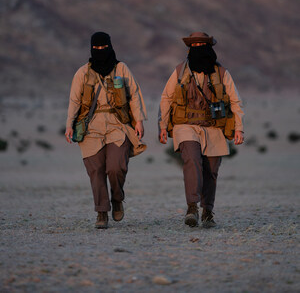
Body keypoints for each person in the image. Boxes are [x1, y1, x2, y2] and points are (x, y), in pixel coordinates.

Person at [159, 32, 244, 228]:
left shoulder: (222, 73)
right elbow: (166, 98)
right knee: (192, 162)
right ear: (190, 48)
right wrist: (162, 125)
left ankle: (207, 211)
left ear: (210, 47)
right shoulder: (180, 71)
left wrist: (239, 128)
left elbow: (235, 101)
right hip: (185, 126)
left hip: (213, 127)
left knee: (211, 170)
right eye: (194, 44)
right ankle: (192, 208)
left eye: (202, 44)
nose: (198, 47)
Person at [65, 32, 147, 229]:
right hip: (90, 125)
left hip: (117, 123)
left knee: (116, 166)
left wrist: (139, 120)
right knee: (96, 170)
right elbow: (75, 100)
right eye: (97, 48)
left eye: (104, 48)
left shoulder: (121, 68)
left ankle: (117, 198)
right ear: (91, 49)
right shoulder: (82, 73)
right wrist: (69, 124)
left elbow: (134, 94)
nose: (100, 52)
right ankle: (102, 212)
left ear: (110, 47)